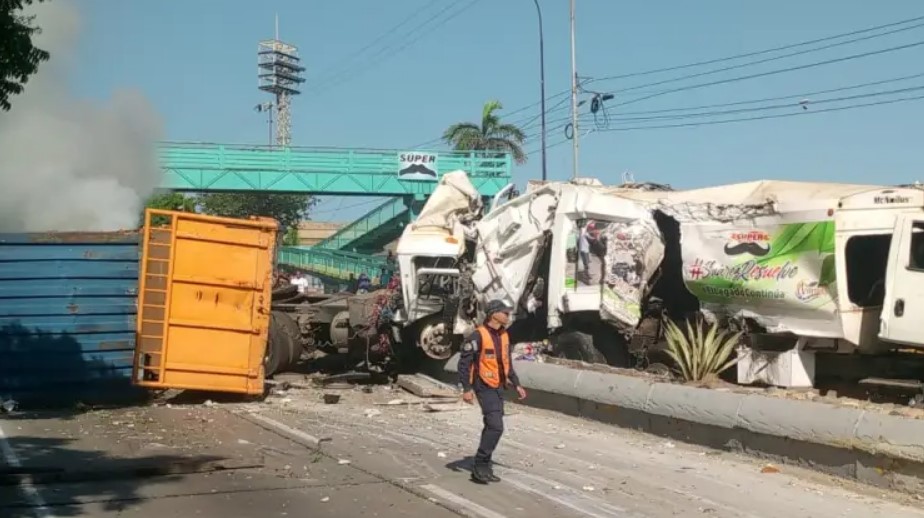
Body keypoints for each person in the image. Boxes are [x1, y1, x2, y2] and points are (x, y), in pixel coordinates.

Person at [457, 299, 527, 484]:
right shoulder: (477, 336)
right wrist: (466, 388)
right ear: (494, 314)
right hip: (483, 385)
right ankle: (480, 464)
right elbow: (464, 363)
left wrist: (517, 383)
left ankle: (483, 465)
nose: (508, 315)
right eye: (505, 312)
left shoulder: (504, 335)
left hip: (498, 386)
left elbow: (506, 362)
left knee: (492, 426)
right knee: (496, 426)